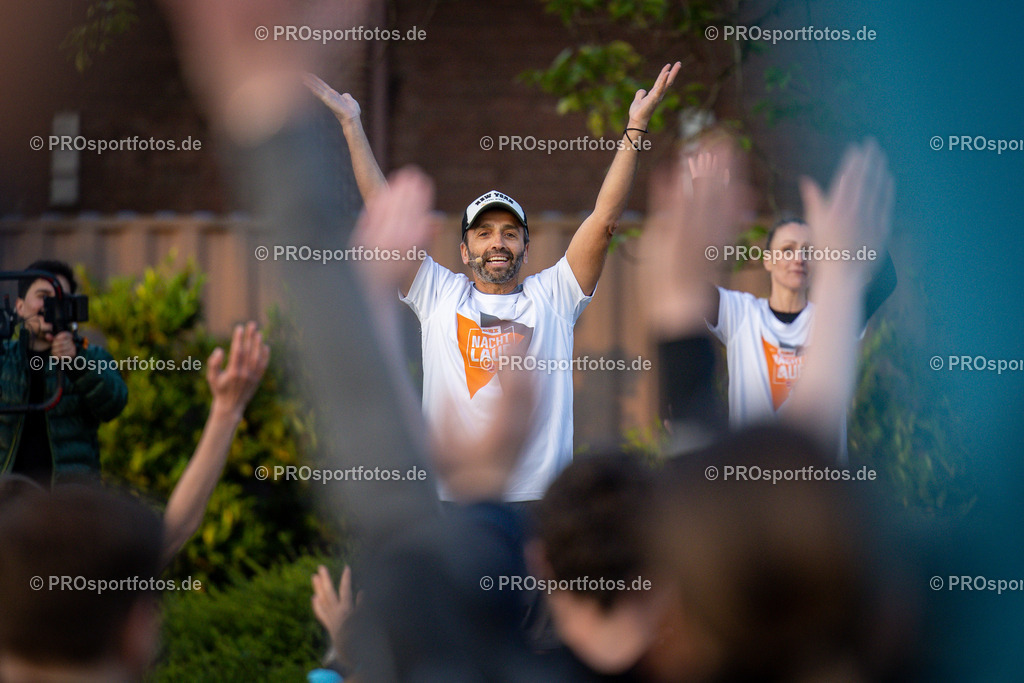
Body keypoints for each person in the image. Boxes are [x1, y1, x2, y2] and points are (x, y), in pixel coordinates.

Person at [306, 64, 681, 502]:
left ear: (526, 246)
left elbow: (604, 219)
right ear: (464, 251)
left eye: (509, 232)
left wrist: (636, 126)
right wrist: (352, 124)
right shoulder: (439, 295)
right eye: (483, 234)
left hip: (539, 505)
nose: (497, 243)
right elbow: (382, 210)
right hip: (455, 502)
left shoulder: (554, 296)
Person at [691, 154, 897, 456]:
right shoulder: (739, 314)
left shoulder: (832, 318)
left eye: (808, 250)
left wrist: (868, 214)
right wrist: (703, 203)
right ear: (768, 261)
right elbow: (692, 287)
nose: (798, 258)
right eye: (787, 250)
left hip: (818, 488)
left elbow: (886, 280)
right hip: (753, 480)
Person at [0, 260, 129, 486]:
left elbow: (114, 402)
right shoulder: (5, 357)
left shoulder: (90, 356)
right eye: (43, 296)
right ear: (19, 307)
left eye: (60, 298)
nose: (50, 305)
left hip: (68, 505)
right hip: (8, 506)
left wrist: (76, 364)